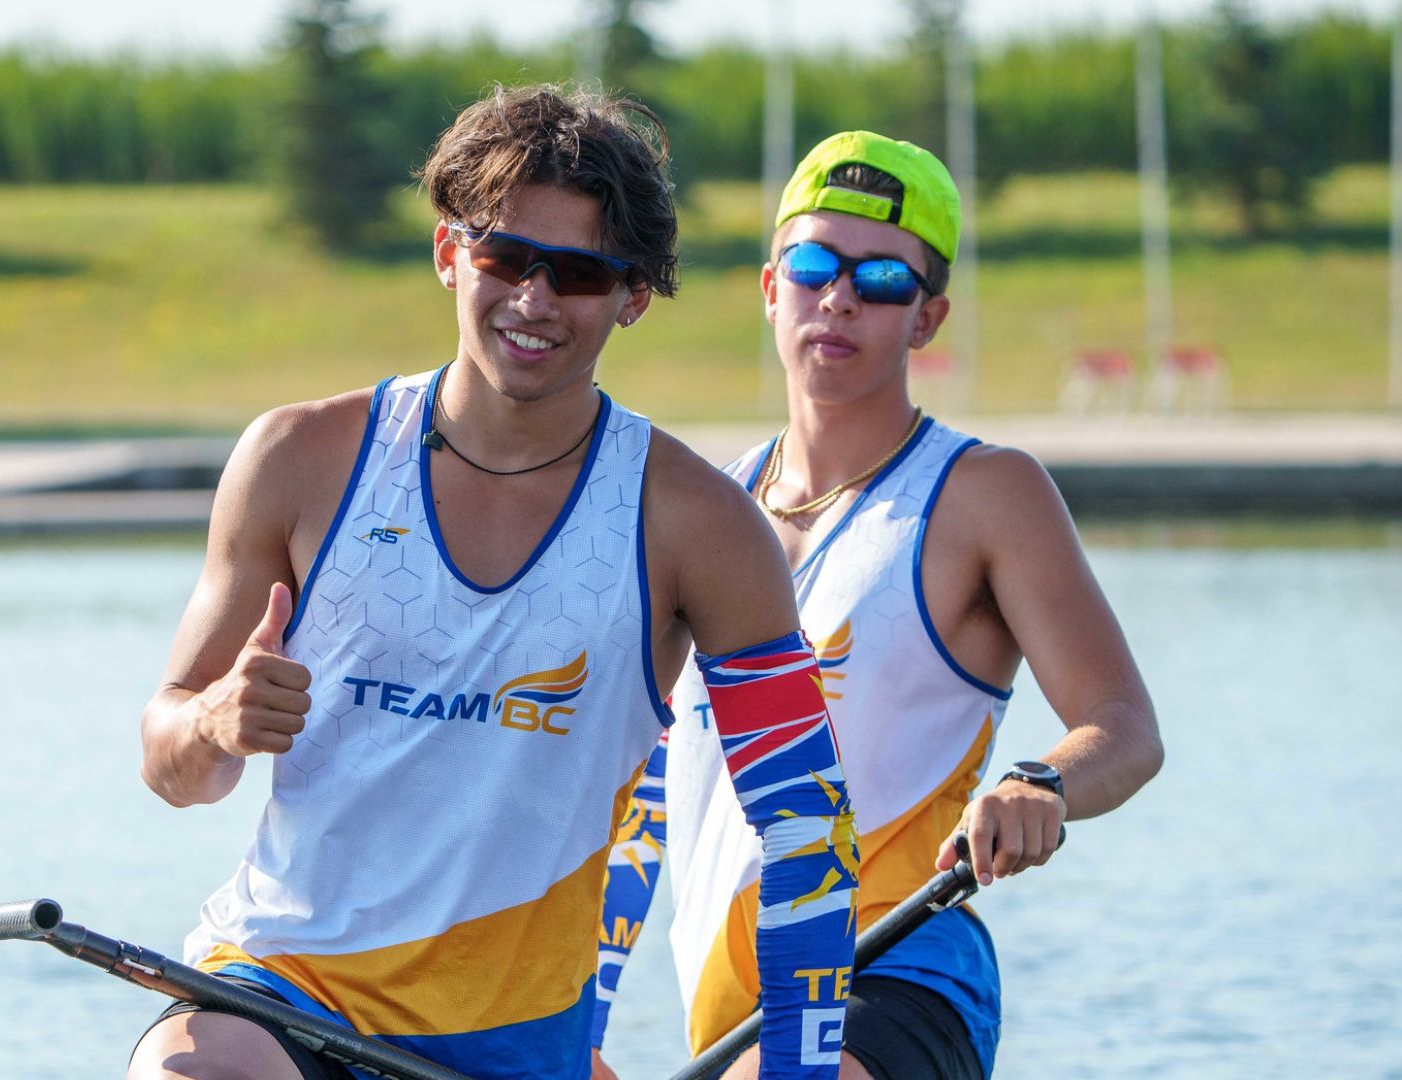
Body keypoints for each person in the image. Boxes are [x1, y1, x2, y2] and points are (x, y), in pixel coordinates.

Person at [126, 86, 860, 1080]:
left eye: (579, 274)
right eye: (506, 258)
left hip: (510, 1043)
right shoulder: (299, 459)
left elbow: (805, 828)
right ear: (447, 255)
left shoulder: (699, 526)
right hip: (280, 988)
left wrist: (803, 1071)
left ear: (634, 296)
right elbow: (172, 765)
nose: (534, 300)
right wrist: (214, 721)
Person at [590, 131, 1165, 1080]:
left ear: (928, 319)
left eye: (884, 280)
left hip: (897, 966)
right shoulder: (700, 508)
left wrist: (1040, 786)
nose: (841, 297)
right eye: (814, 264)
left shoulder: (988, 494)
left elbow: (1124, 726)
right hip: (729, 1008)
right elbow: (613, 778)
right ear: (772, 287)